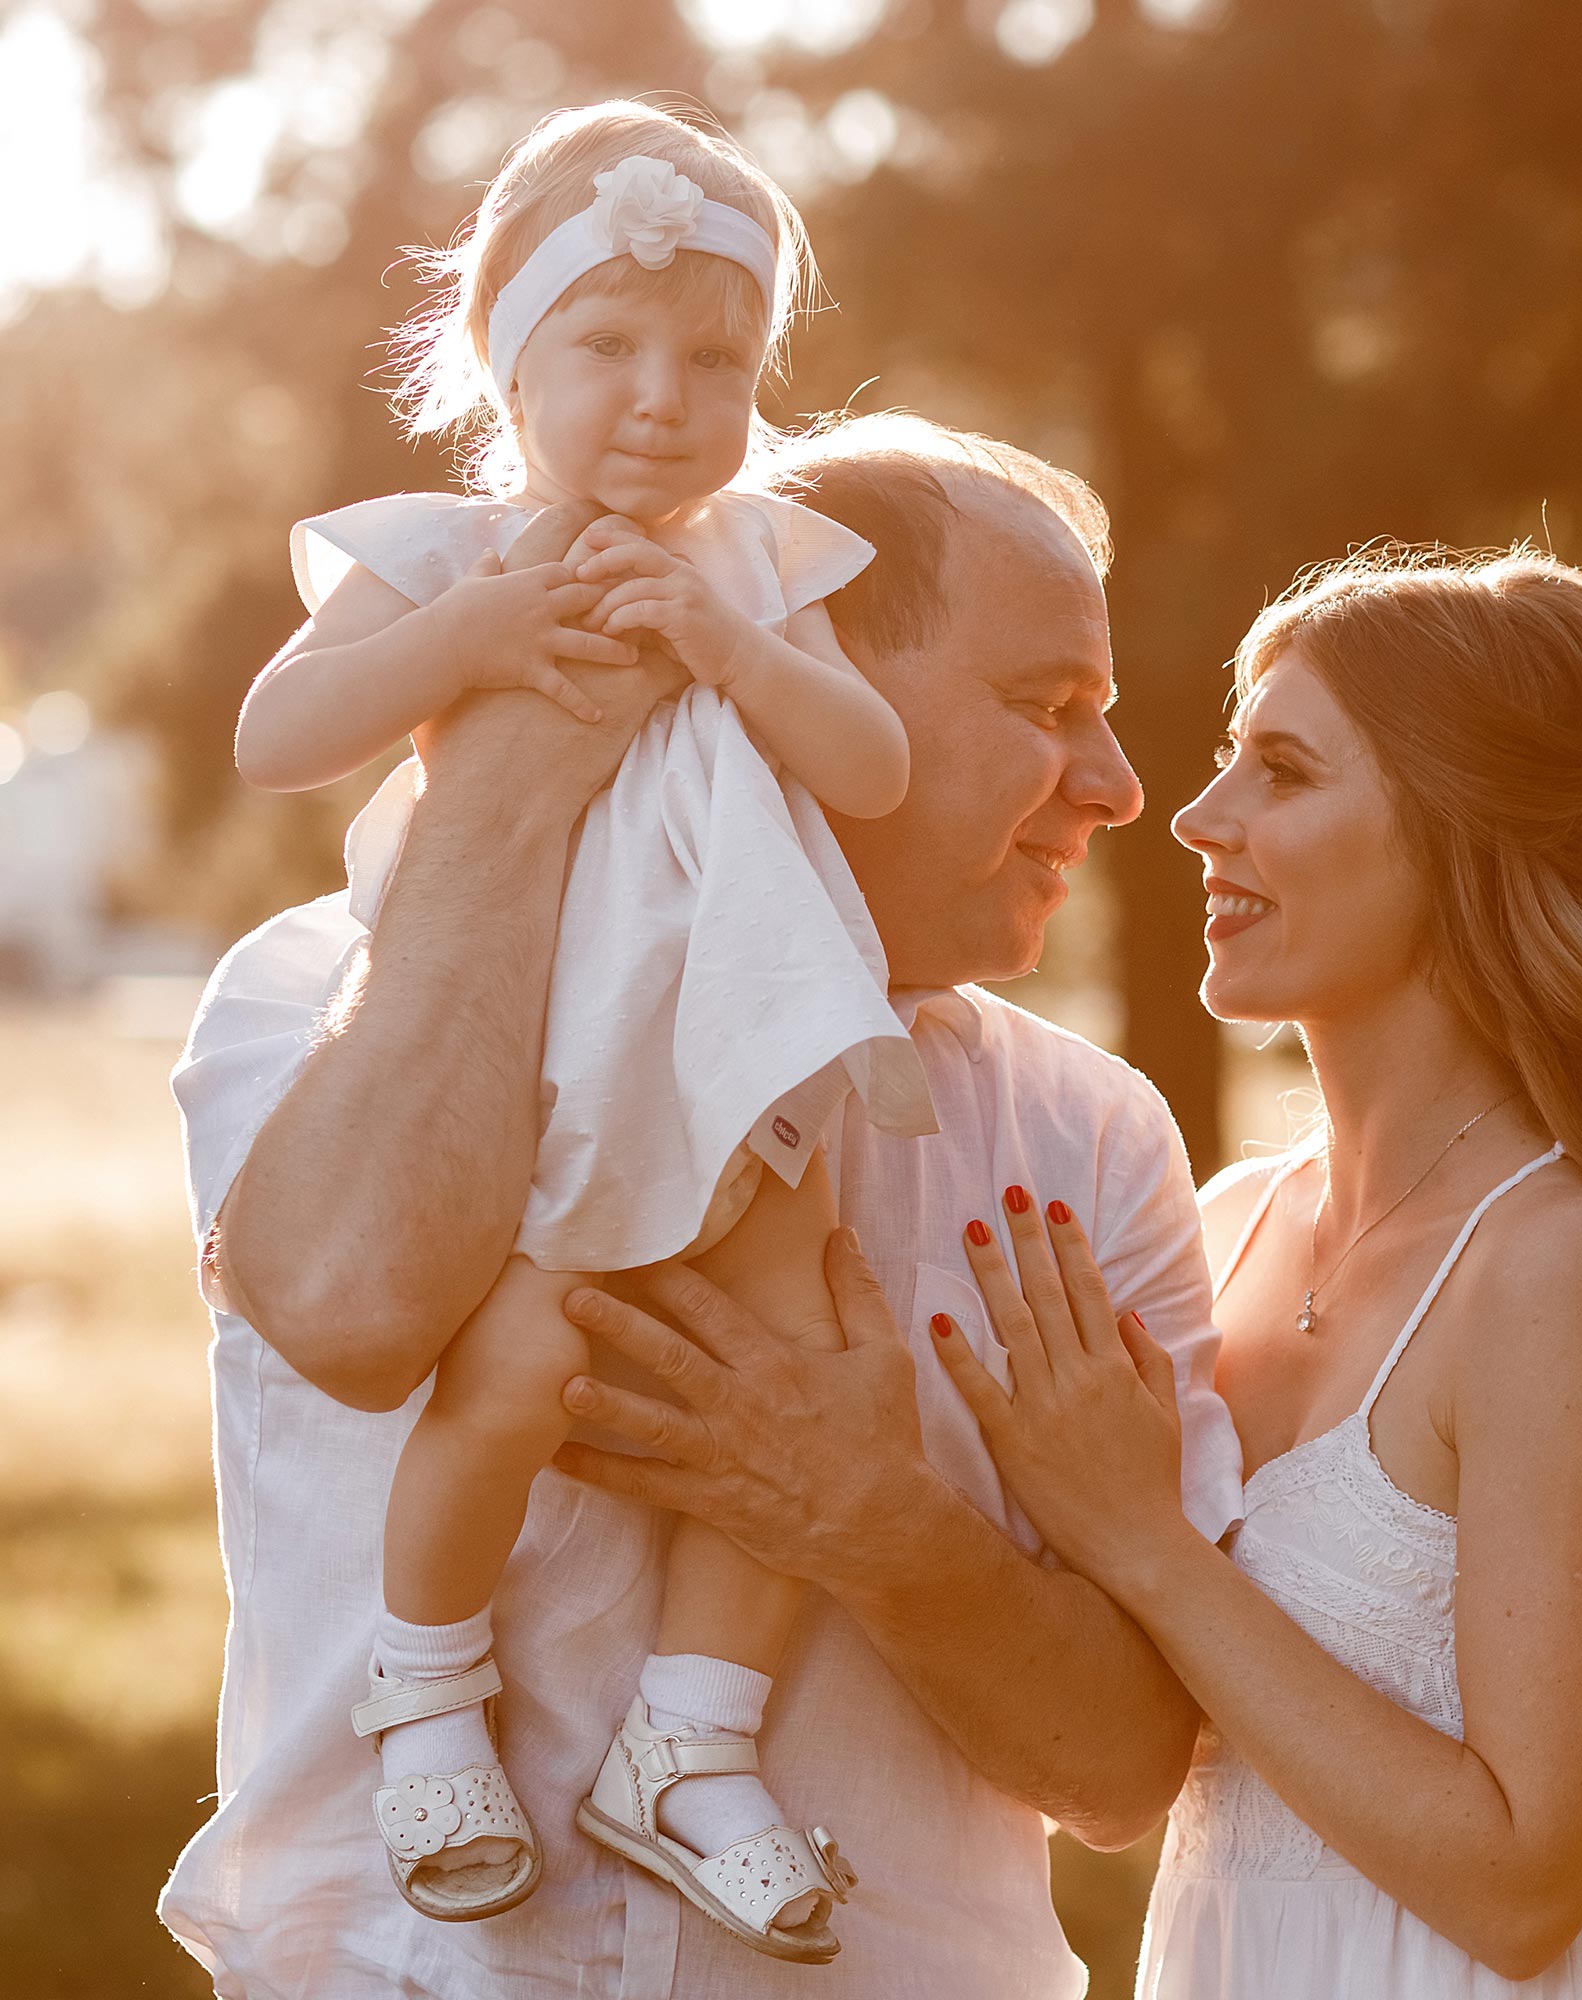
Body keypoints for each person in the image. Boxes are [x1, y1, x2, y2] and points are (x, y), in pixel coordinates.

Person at [163, 411, 1244, 1998]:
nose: (1123, 785)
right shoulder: (316, 997)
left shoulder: (1084, 1138)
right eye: (1048, 706)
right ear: (786, 667)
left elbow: (1127, 1769)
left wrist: (879, 1521)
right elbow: (347, 1308)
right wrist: (520, 783)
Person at [876, 548, 1582, 1994]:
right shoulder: (1221, 1224)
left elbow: (1529, 1878)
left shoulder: (1561, 1261)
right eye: (1231, 760)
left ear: (1458, 828)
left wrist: (1147, 1547)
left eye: (1284, 773)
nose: (1203, 819)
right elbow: (1140, 1772)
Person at [232, 99, 941, 1947]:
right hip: (535, 1064)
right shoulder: (440, 552)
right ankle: (424, 1696)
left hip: (733, 1054)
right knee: (514, 1377)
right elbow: (275, 738)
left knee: (781, 1370)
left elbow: (868, 770)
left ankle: (691, 1746)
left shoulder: (765, 564)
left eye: (716, 358)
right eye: (607, 347)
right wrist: (460, 645)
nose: (661, 396)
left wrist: (731, 648)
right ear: (504, 357)